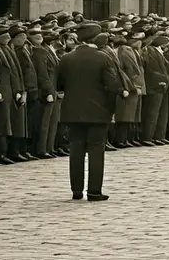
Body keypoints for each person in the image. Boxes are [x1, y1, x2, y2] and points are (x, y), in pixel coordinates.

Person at [56, 21, 124, 201]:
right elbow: (113, 85)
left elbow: (59, 84)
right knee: (96, 150)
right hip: (98, 111)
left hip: (72, 111)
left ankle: (76, 190)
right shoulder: (103, 57)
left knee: (76, 150)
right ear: (96, 38)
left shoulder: (67, 58)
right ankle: (94, 191)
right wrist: (110, 108)